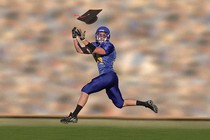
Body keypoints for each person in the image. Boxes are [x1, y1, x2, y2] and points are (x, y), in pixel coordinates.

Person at [60, 26, 158, 123]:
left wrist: (83, 39)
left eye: (104, 35)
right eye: (100, 34)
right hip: (110, 78)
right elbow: (79, 50)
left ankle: (74, 116)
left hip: (108, 75)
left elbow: (98, 51)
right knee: (120, 103)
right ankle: (146, 103)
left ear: (108, 36)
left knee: (86, 90)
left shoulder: (109, 45)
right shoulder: (94, 45)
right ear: (96, 35)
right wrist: (74, 38)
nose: (102, 37)